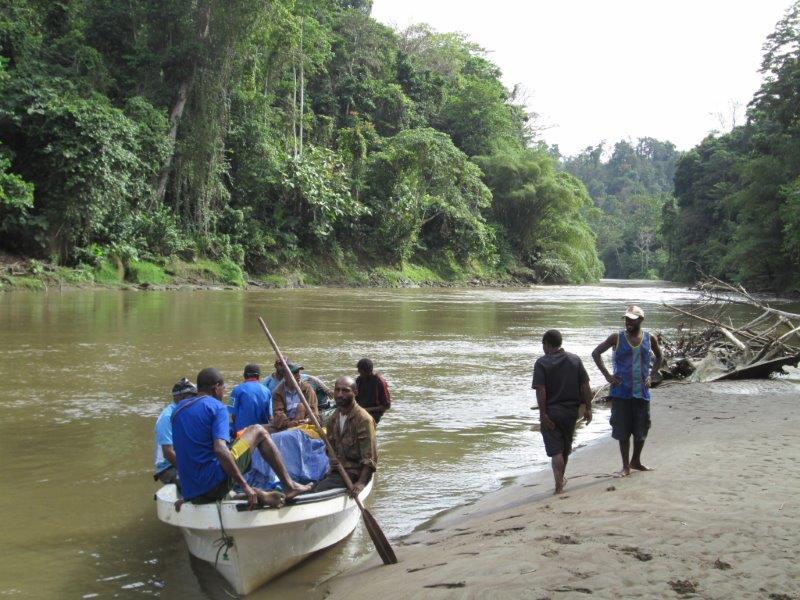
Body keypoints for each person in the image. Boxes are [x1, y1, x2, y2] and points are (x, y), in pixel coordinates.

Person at [171, 367, 311, 508]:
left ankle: (261, 495)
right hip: (213, 485)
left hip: (192, 491)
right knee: (258, 430)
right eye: (223, 389)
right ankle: (290, 485)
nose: (223, 393)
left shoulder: (177, 411)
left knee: (225, 485)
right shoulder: (217, 407)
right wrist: (245, 486)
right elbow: (220, 449)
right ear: (216, 388)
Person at [592, 305, 663, 478]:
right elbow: (596, 353)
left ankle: (636, 461)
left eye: (632, 319)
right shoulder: (616, 337)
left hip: (642, 393)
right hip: (621, 393)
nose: (628, 322)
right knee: (623, 430)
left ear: (641, 320)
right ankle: (625, 466)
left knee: (641, 429)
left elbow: (660, 356)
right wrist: (608, 376)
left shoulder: (649, 338)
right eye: (626, 319)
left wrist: (651, 375)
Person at [532, 330, 593, 495]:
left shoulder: (541, 363)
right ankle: (561, 481)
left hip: (552, 412)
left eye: (543, 345)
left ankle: (558, 485)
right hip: (570, 413)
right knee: (565, 448)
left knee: (556, 451)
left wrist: (543, 414)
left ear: (547, 344)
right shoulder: (575, 360)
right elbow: (585, 386)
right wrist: (588, 408)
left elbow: (541, 390)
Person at [314, 376, 377, 497]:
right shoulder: (334, 418)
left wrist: (361, 483)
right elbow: (330, 447)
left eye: (345, 391)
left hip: (355, 472)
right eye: (337, 390)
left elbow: (370, 457)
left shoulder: (363, 420)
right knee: (311, 484)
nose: (339, 394)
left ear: (355, 392)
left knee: (319, 490)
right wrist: (332, 458)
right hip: (339, 470)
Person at [153, 377, 197, 486]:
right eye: (192, 397)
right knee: (196, 483)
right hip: (168, 467)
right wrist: (188, 471)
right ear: (180, 397)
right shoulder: (167, 417)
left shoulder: (184, 412)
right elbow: (168, 452)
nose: (195, 400)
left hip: (183, 460)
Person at [263, 358, 333, 407]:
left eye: (285, 364)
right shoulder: (268, 382)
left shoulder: (298, 378)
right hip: (280, 405)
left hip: (298, 406)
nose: (283, 366)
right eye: (280, 364)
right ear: (275, 365)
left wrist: (327, 389)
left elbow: (313, 378)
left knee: (301, 407)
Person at [269, 363, 318, 431]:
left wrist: (307, 420)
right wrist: (288, 424)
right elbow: (278, 413)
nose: (298, 376)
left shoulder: (307, 389)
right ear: (285, 376)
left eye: (298, 373)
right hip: (286, 425)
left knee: (301, 407)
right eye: (294, 373)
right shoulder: (278, 392)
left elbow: (313, 410)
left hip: (303, 423)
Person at [229, 363, 272, 432]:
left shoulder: (235, 390)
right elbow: (270, 415)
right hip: (261, 432)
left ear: (244, 376)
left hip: (242, 433)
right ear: (258, 376)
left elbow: (232, 414)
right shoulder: (267, 391)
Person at [355, 358, 391, 425]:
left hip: (374, 414)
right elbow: (355, 396)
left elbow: (386, 406)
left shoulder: (379, 382)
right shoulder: (359, 380)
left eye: (360, 371)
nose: (359, 372)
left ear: (367, 371)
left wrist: (366, 410)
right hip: (360, 411)